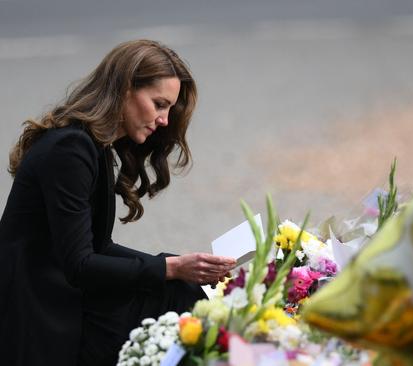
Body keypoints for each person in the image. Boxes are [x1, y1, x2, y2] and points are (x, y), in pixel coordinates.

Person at [0, 40, 237, 365]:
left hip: (59, 296)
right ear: (125, 89)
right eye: (159, 104)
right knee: (180, 309)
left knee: (184, 292)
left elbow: (98, 245)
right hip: (38, 313)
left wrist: (177, 266)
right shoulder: (70, 149)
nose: (165, 120)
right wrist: (170, 268)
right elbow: (80, 264)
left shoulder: (88, 144)